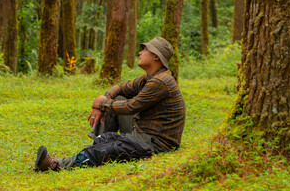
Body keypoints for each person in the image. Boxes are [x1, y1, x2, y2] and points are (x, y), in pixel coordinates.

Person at [35, 37, 186, 172]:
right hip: (143, 132)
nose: (140, 52)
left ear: (156, 57)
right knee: (115, 106)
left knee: (111, 147)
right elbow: (121, 87)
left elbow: (132, 106)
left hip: (156, 144)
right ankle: (96, 148)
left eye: (145, 49)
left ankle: (56, 165)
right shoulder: (150, 78)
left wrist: (103, 103)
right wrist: (101, 104)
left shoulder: (160, 81)